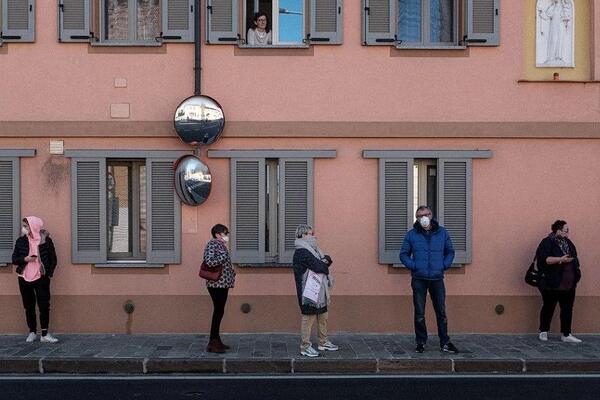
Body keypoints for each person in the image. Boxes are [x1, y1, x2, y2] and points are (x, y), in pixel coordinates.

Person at [400, 206, 458, 354]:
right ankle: (421, 342)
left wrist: (443, 266)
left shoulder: (442, 233)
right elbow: (404, 254)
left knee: (441, 312)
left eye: (425, 214)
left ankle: (445, 342)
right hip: (419, 279)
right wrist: (414, 266)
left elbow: (450, 252)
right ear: (417, 219)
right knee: (419, 313)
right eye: (419, 216)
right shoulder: (411, 235)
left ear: (431, 215)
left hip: (437, 278)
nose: (423, 218)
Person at [293, 224, 338, 357]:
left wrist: (324, 262)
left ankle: (323, 342)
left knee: (323, 316)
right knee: (308, 318)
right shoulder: (302, 252)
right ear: (302, 235)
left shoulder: (314, 250)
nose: (313, 236)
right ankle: (305, 346)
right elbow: (320, 266)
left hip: (319, 291)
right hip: (308, 291)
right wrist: (324, 262)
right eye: (309, 234)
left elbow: (327, 260)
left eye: (312, 233)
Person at [12, 217, 58, 343]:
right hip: (24, 277)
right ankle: (32, 332)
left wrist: (48, 273)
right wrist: (25, 259)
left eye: (26, 226)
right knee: (29, 306)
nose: (24, 228)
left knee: (44, 306)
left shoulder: (46, 241)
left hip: (41, 278)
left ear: (33, 227)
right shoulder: (21, 241)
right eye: (24, 226)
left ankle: (45, 334)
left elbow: (53, 259)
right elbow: (14, 259)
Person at [536, 220, 582, 343]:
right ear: (558, 231)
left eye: (568, 231)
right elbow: (544, 260)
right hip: (552, 283)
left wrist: (577, 272)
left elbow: (574, 258)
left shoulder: (568, 243)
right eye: (566, 230)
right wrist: (560, 259)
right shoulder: (547, 242)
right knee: (548, 307)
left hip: (569, 284)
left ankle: (566, 334)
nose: (568, 233)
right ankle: (543, 331)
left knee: (567, 309)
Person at [203, 224, 235, 353]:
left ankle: (216, 339)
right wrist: (224, 257)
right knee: (218, 311)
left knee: (219, 311)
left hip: (223, 283)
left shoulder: (220, 245)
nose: (227, 236)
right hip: (216, 284)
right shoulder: (213, 244)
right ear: (217, 234)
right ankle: (213, 342)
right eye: (225, 233)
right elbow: (209, 261)